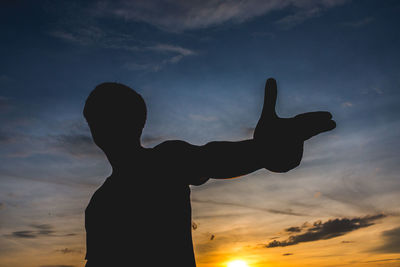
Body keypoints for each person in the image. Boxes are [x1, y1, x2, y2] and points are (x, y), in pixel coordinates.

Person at [83, 78, 336, 266]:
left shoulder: (163, 162)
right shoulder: (100, 203)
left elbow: (212, 158)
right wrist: (265, 151)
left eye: (106, 117)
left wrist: (264, 150)